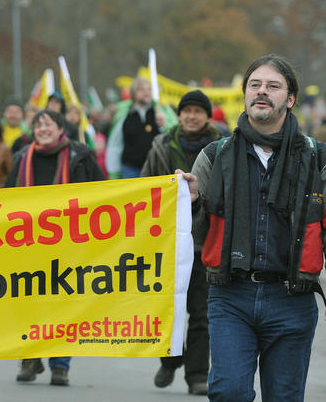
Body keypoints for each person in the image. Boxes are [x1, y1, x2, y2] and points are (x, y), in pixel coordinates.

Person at [190, 54, 325, 401]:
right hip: (230, 296)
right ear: (245, 93)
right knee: (230, 392)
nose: (262, 92)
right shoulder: (214, 155)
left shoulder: (318, 158)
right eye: (255, 85)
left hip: (292, 298)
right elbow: (193, 233)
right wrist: (189, 203)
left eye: (273, 86)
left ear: (290, 99)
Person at [8, 109, 105, 386]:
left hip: (69, 244)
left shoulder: (80, 156)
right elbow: (5, 197)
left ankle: (60, 364)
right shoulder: (22, 158)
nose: (42, 129)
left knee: (63, 303)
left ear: (60, 128)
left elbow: (103, 192)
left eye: (47, 124)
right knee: (27, 303)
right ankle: (29, 357)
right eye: (38, 125)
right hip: (27, 244)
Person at [141, 89, 222, 396]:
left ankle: (197, 374)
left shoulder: (222, 147)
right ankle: (171, 360)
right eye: (186, 110)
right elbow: (146, 184)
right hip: (167, 243)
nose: (191, 115)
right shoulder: (161, 145)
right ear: (179, 114)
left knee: (201, 314)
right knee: (168, 309)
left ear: (207, 115)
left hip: (205, 242)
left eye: (197, 111)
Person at [106, 77, 177, 179]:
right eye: (141, 89)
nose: (146, 92)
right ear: (134, 93)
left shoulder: (160, 112)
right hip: (130, 169)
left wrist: (163, 125)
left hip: (156, 168)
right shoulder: (125, 115)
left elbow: (172, 136)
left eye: (149, 89)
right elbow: (116, 143)